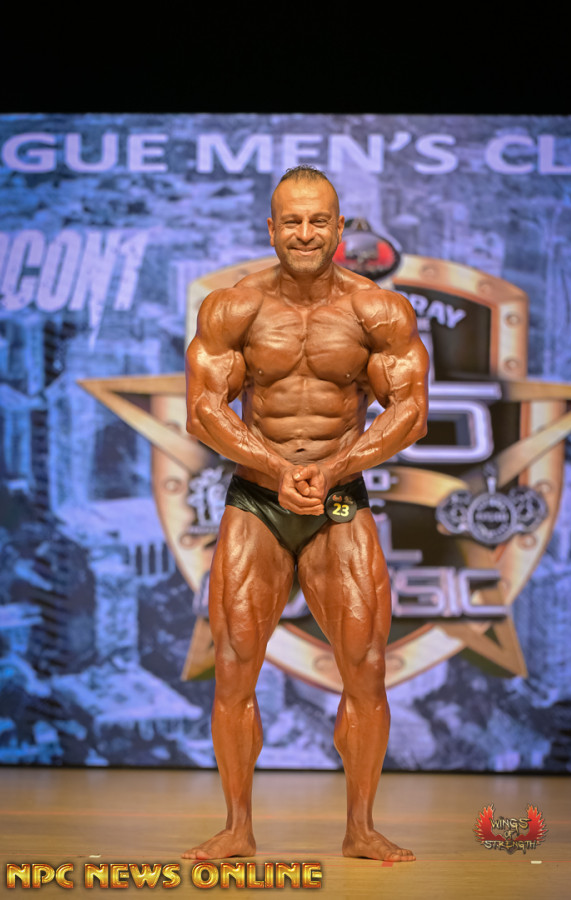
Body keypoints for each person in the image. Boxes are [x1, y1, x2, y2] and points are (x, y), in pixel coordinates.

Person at [184, 166, 429, 862]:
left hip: (338, 496)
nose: (304, 233)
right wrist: (277, 469)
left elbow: (411, 411)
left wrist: (332, 467)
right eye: (291, 221)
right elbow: (203, 410)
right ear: (271, 229)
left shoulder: (377, 311)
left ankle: (361, 828)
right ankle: (237, 826)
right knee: (234, 664)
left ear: (339, 228)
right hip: (258, 498)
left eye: (318, 220)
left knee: (366, 666)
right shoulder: (233, 308)